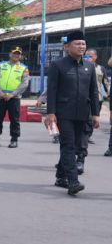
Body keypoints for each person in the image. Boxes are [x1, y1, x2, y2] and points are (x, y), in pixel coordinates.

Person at [45, 31, 100, 195]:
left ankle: (60, 177)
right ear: (67, 47)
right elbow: (52, 91)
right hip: (63, 114)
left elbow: (94, 92)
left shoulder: (89, 67)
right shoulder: (58, 65)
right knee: (68, 145)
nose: (81, 46)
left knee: (74, 146)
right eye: (77, 44)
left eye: (83, 44)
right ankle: (73, 182)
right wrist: (51, 113)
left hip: (83, 113)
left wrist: (95, 114)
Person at [0, 47, 30, 148]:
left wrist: (13, 94)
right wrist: (0, 93)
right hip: (0, 97)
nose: (16, 55)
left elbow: (25, 83)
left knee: (14, 119)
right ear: (10, 54)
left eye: (18, 54)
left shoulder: (24, 68)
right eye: (14, 53)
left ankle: (14, 139)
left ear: (20, 56)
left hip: (14, 98)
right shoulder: (1, 65)